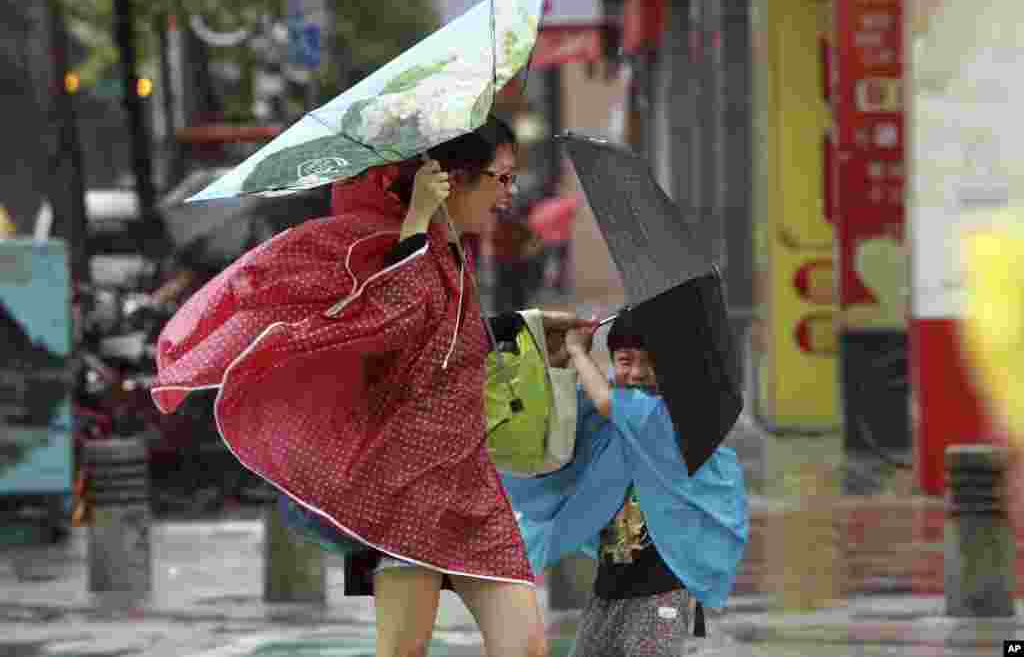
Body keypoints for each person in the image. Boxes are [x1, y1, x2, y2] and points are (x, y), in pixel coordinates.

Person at [151, 116, 590, 657]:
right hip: (404, 493)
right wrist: (417, 222)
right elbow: (388, 323)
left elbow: (445, 345)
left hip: (469, 484)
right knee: (404, 651)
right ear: (451, 180)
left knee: (525, 649)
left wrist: (526, 328)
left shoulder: (451, 251)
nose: (509, 195)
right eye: (499, 179)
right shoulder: (389, 249)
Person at [501, 310, 749, 657]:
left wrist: (578, 352)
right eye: (625, 361)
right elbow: (560, 416)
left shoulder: (671, 417)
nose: (636, 373)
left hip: (662, 590)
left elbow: (605, 401)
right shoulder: (612, 422)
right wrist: (564, 358)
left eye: (649, 363)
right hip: (609, 588)